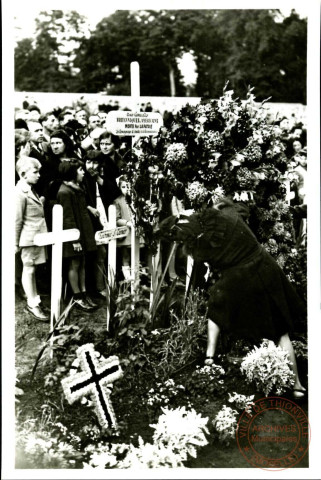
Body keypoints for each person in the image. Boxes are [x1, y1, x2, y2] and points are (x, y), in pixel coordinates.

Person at [157, 199, 307, 399]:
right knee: (279, 330)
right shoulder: (228, 212)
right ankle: (297, 385)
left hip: (243, 276)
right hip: (264, 267)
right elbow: (243, 208)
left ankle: (209, 357)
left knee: (217, 306)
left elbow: (214, 265)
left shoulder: (202, 247)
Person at [56, 161, 98, 311]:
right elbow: (68, 218)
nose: (83, 172)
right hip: (73, 235)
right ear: (72, 173)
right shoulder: (64, 192)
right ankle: (77, 297)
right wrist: (75, 239)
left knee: (82, 262)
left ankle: (84, 293)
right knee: (74, 264)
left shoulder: (77, 189)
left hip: (82, 232)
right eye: (80, 170)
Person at [15, 157, 49, 321]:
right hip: (28, 238)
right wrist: (14, 242)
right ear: (23, 174)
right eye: (35, 172)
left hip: (37, 237)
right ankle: (32, 303)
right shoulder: (19, 193)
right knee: (28, 269)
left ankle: (36, 299)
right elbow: (17, 220)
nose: (39, 175)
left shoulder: (29, 189)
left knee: (33, 270)